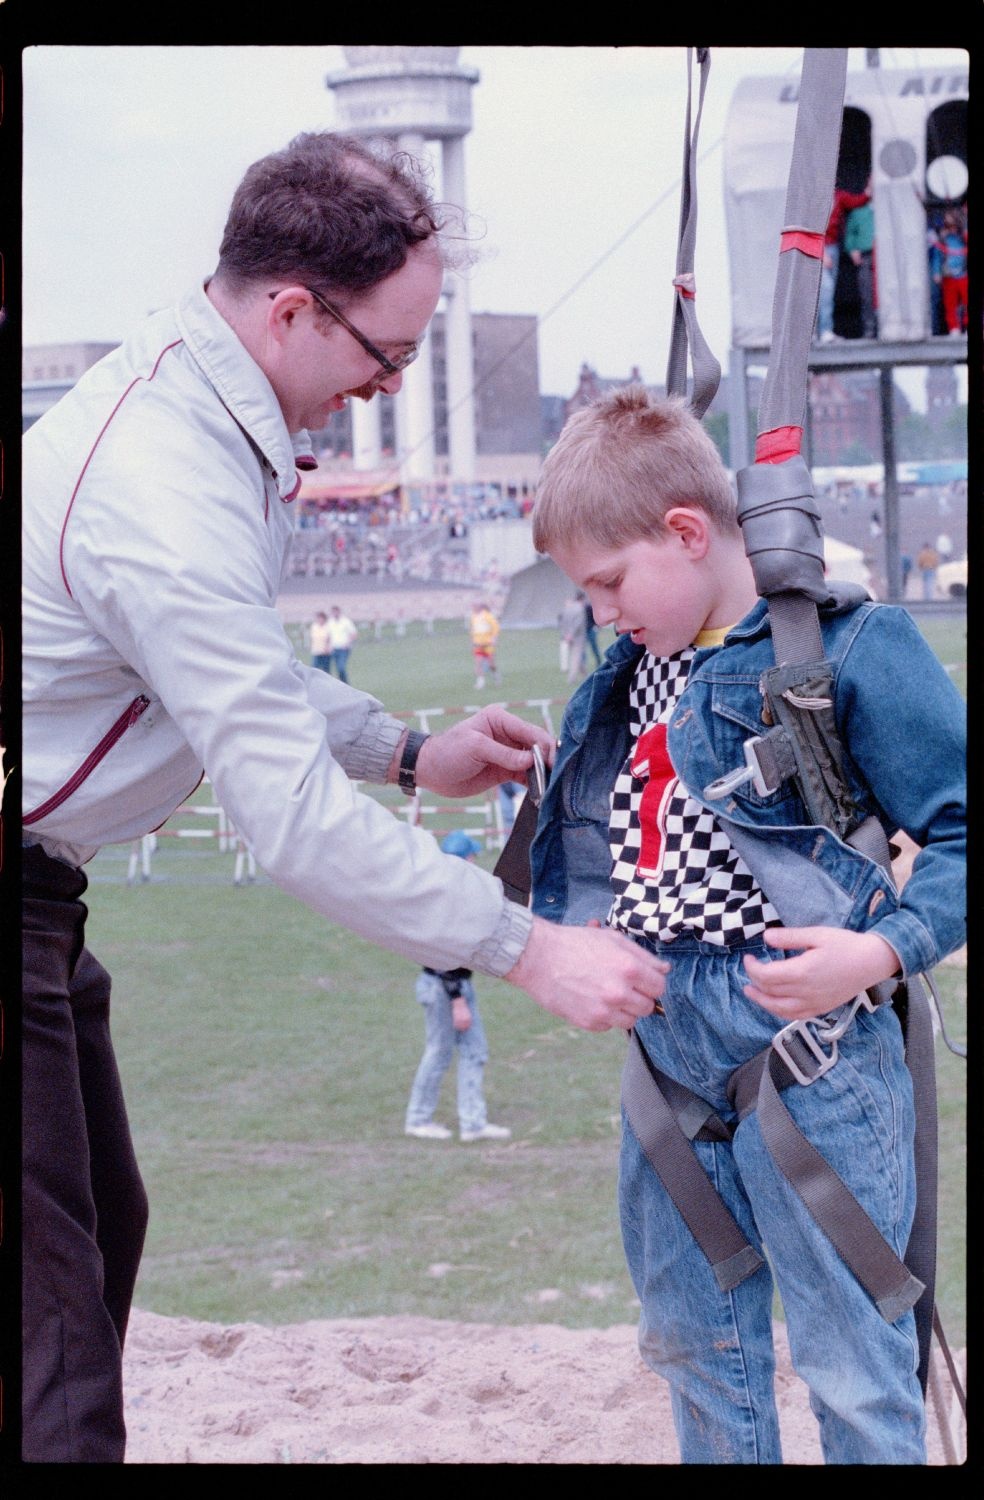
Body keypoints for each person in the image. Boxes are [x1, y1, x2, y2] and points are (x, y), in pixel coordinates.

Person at [21, 131, 668, 1465]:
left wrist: (408, 748)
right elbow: (289, 824)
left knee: (100, 1225)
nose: (382, 393)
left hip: (43, 892)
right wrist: (528, 948)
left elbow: (215, 671)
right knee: (55, 1341)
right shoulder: (161, 481)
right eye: (387, 359)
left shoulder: (202, 412)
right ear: (292, 311)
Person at [528, 385, 966, 1465]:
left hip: (810, 1047)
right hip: (666, 1047)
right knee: (691, 1343)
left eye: (610, 583)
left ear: (685, 532)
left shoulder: (849, 649)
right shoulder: (627, 674)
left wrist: (881, 949)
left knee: (853, 1362)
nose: (602, 612)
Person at [405, 832, 512, 1143]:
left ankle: (472, 1123)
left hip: (446, 986)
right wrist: (457, 1001)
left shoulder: (439, 893)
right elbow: (443, 955)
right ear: (465, 860)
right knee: (440, 1053)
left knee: (472, 1051)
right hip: (446, 987)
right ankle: (419, 1119)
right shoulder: (450, 899)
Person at [816, 180, 871, 343]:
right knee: (825, 290)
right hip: (819, 246)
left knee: (828, 291)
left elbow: (858, 201)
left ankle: (824, 330)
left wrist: (869, 189)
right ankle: (823, 330)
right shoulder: (814, 199)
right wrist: (821, 253)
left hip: (832, 247)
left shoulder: (838, 196)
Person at [930, 208, 968, 335]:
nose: (951, 229)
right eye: (948, 225)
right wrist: (936, 272)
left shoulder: (963, 238)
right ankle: (954, 328)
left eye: (953, 225)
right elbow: (937, 257)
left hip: (963, 274)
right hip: (949, 275)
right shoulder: (943, 240)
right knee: (950, 303)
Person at [843, 198, 877, 340]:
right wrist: (852, 249)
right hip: (866, 256)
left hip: (884, 256)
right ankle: (870, 329)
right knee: (867, 293)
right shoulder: (859, 213)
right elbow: (850, 234)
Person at [558, 588, 588, 684]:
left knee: (576, 656)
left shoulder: (567, 608)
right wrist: (571, 634)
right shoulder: (580, 609)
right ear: (582, 599)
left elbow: (562, 622)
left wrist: (565, 634)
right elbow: (578, 623)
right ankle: (572, 678)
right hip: (577, 637)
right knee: (576, 657)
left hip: (567, 636)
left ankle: (585, 674)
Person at [470, 601, 500, 689]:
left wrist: (494, 639)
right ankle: (481, 682)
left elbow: (496, 628)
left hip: (488, 644)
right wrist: (472, 641)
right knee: (478, 663)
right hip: (478, 644)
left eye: (474, 606)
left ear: (480, 607)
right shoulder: (473, 617)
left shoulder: (488, 616)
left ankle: (495, 674)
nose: (473, 608)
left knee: (491, 664)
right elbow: (473, 630)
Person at [325, 603, 358, 683]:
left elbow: (354, 634)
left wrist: (347, 643)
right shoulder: (330, 622)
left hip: (343, 649)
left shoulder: (346, 621)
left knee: (341, 667)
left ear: (339, 612)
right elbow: (328, 635)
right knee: (336, 668)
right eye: (333, 612)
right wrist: (328, 646)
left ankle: (346, 684)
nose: (335, 613)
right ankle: (342, 684)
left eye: (336, 612)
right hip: (334, 648)